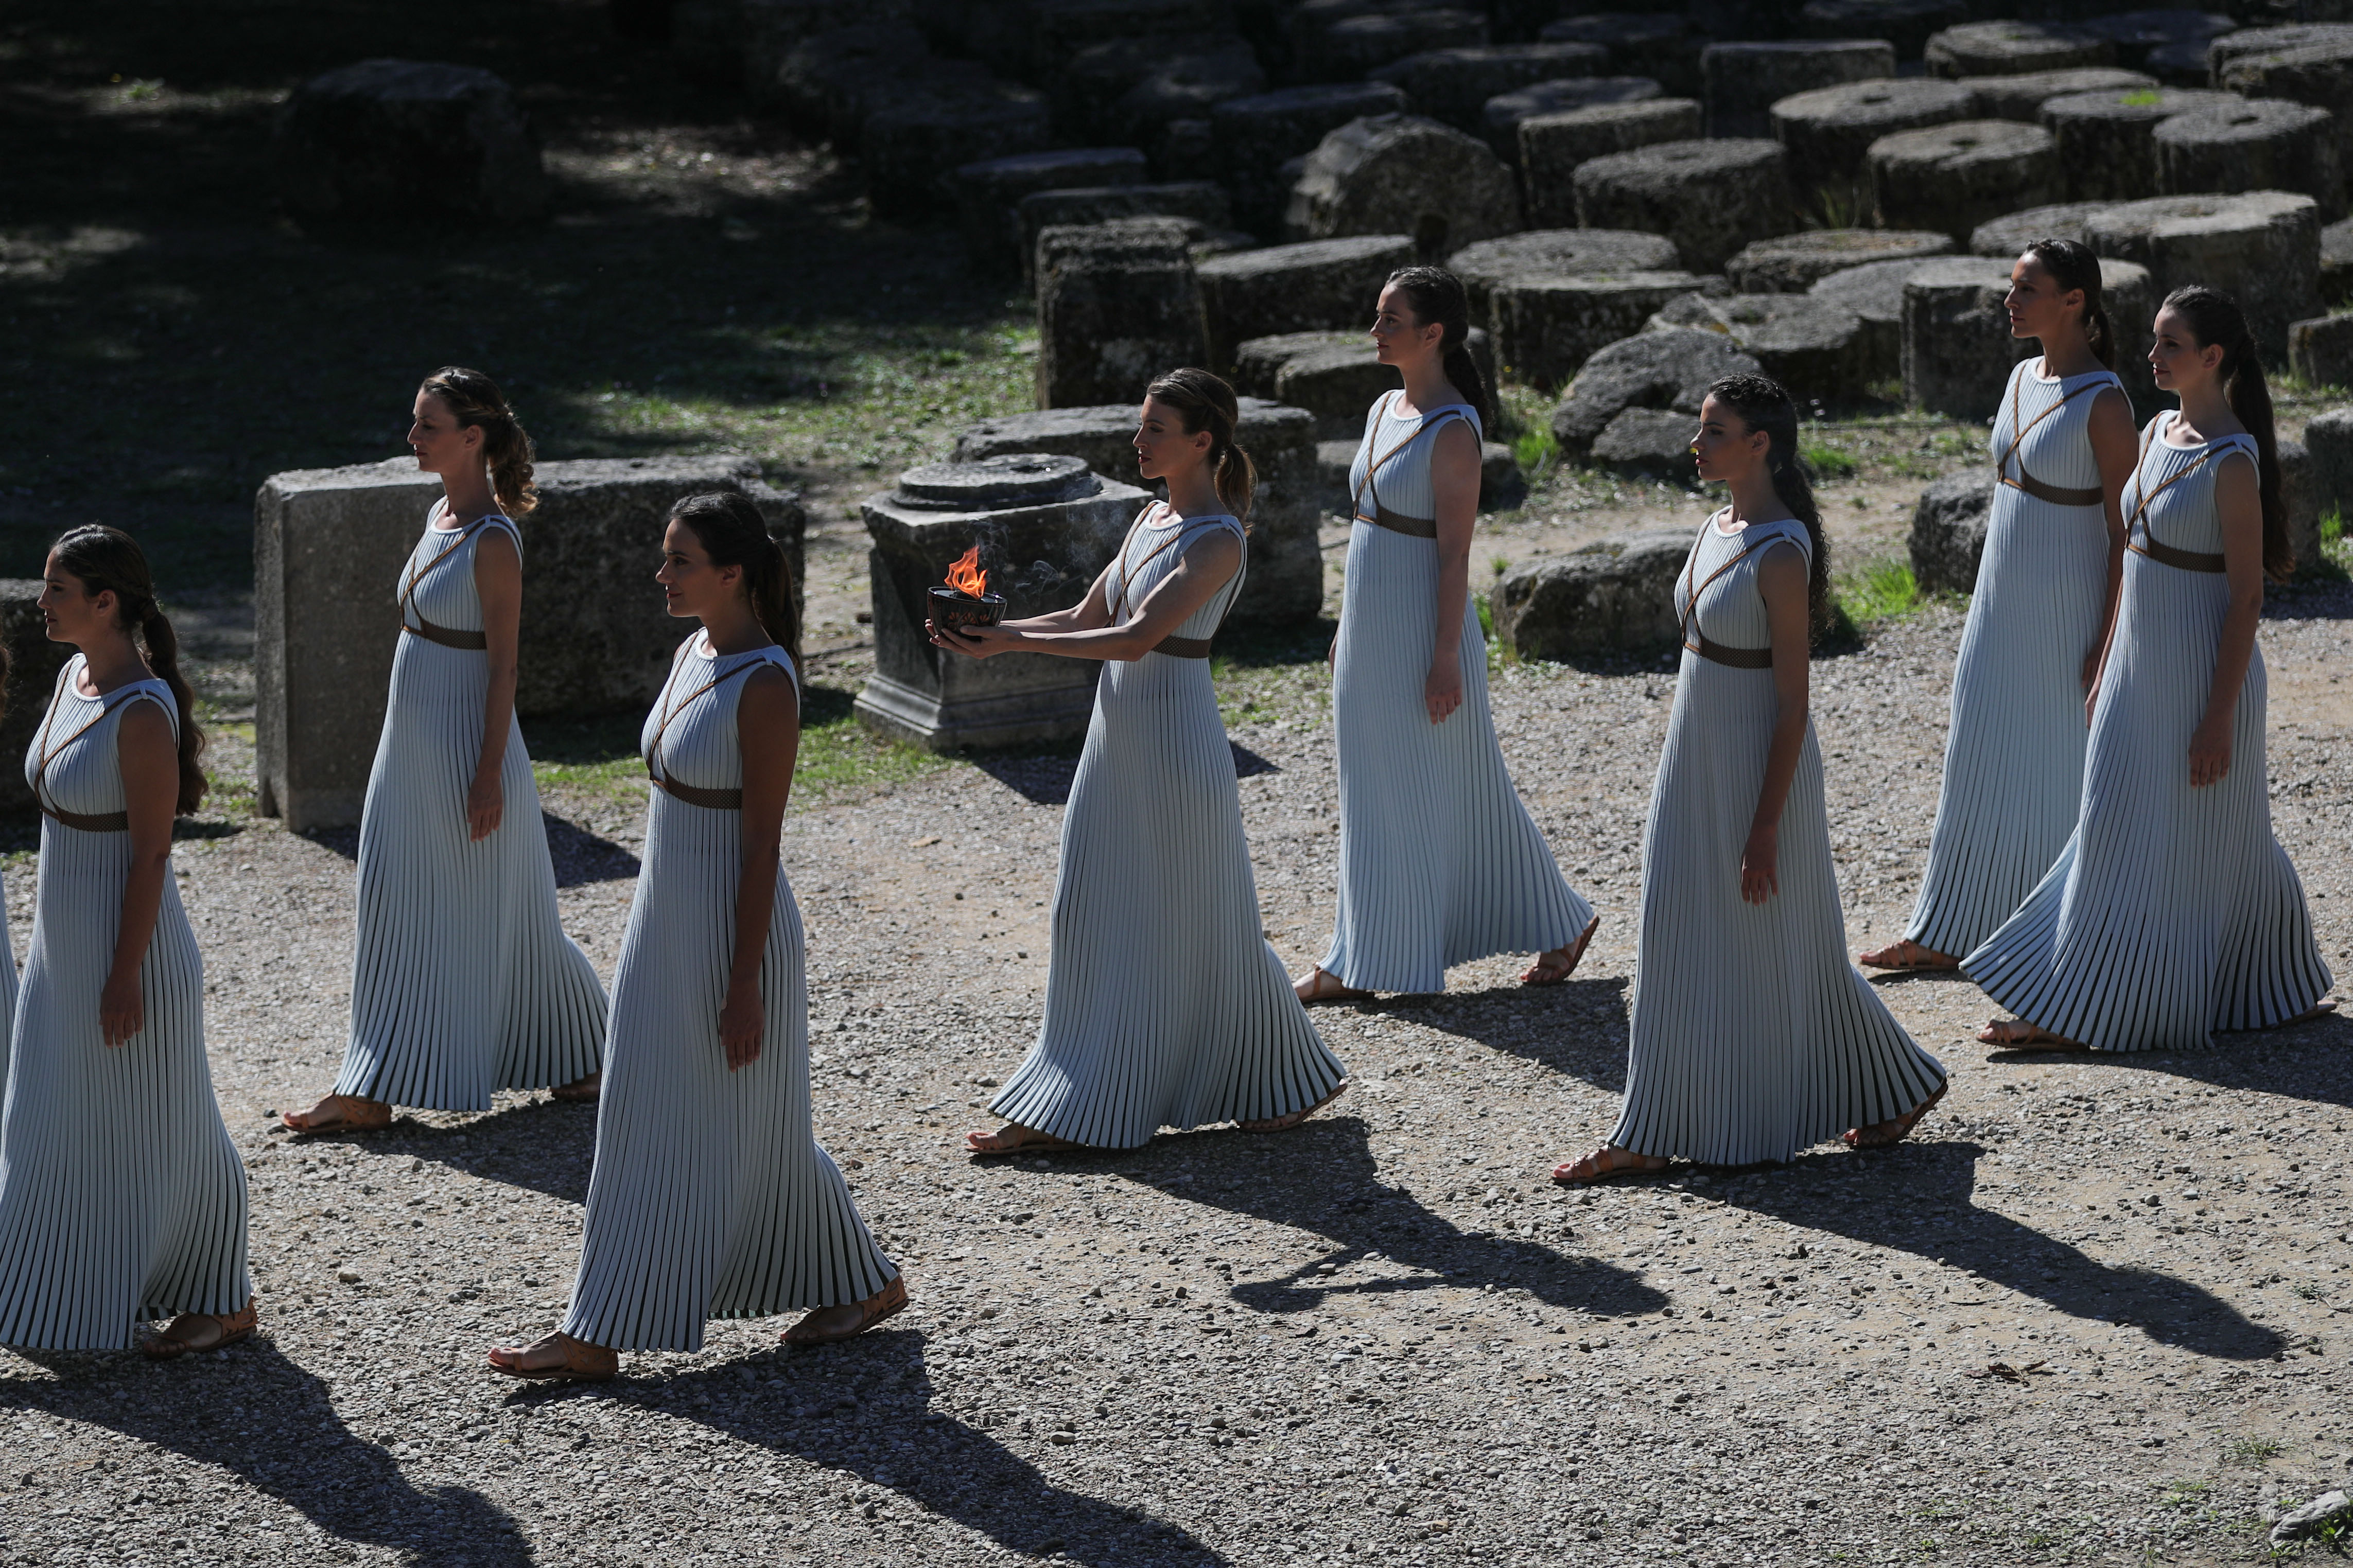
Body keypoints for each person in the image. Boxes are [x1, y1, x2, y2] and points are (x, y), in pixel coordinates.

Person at [490, 491, 900, 1380]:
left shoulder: (766, 683)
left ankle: (594, 1331)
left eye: (680, 560)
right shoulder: (693, 652)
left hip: (728, 934)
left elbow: (761, 847)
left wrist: (744, 979)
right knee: (710, 1115)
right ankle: (860, 1280)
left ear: (732, 573)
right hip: (664, 920)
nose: (662, 574)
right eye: (664, 557)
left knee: (703, 1117)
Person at [940, 368, 1347, 1153]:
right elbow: (1086, 615)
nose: (1138, 441)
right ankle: (1259, 1077)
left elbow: (1135, 639)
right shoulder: (1151, 518)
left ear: (1202, 442)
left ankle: (1123, 1102)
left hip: (1174, 737)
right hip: (1117, 731)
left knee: (1195, 912)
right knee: (1091, 903)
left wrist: (1014, 641)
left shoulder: (1219, 539)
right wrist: (994, 631)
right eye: (1141, 426)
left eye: (1155, 429)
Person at [1554, 377, 1948, 1183]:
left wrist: (1766, 826)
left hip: (1758, 771)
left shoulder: (1782, 550)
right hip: (1693, 758)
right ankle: (1663, 1120)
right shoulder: (1714, 527)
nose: (1696, 444)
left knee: (1784, 941)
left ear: (1760, 444)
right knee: (1675, 925)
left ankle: (1889, 1082)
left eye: (1715, 430)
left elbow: (1794, 705)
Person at [1969, 288, 2335, 1050]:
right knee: (2155, 822)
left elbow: (2245, 599)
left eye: (2171, 346)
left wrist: (2216, 716)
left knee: (2198, 829)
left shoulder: (2232, 460)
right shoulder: (2157, 426)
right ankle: (2266, 985)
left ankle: (2089, 1007)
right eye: (2155, 341)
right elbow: (2129, 555)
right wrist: (2107, 658)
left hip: (2200, 676)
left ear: (2212, 358)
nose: (2152, 355)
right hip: (2141, 663)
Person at [286, 367, 605, 1132]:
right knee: (420, 896)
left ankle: (575, 1055)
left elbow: (504, 665)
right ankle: (582, 1053)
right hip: (414, 738)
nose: (413, 437)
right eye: (416, 421)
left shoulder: (495, 539)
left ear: (473, 438)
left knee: (493, 906)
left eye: (429, 426)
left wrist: (488, 772)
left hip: (464, 746)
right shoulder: (439, 516)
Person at [1294, 266, 1595, 1005]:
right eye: (1377, 317)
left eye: (1391, 320)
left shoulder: (1454, 430)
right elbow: (1367, 534)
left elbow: (1454, 554)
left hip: (1429, 635)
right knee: (1373, 788)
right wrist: (1346, 628)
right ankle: (1362, 951)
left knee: (1450, 786)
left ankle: (1378, 956)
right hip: (1373, 627)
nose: (1376, 331)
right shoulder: (1381, 409)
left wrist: (1443, 658)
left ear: (1433, 333)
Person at [0, 526, 253, 1355]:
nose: (43, 603)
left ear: (106, 604)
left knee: (163, 1124)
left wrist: (123, 975)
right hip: (64, 952)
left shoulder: (143, 713)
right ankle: (50, 1288)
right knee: (47, 1117)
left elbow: (150, 856)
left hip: (129, 959)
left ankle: (218, 1294)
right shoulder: (74, 677)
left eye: (58, 590)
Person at [1861, 240, 2137, 973]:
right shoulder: (2020, 376)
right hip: (1999, 598)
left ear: (2074, 302)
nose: (2009, 301)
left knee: (2054, 767)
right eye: (2012, 287)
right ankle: (1948, 926)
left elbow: (2126, 534)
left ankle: (2059, 933)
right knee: (1977, 751)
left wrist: (2107, 644)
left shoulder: (2106, 401)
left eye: (2026, 289)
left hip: (2065, 605)